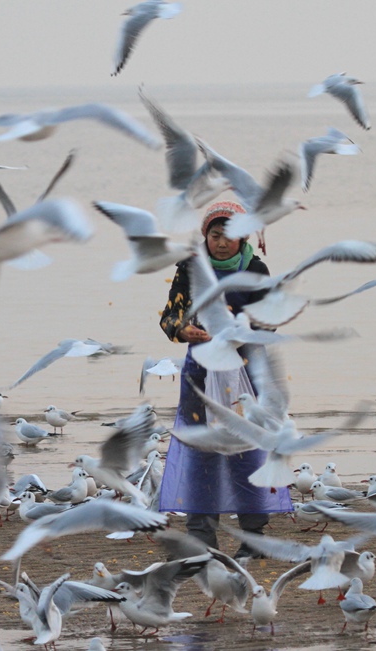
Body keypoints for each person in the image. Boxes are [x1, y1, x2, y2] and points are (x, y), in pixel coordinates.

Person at [157, 200, 292, 557]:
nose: (220, 243)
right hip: (200, 374)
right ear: (206, 236)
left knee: (245, 454)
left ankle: (253, 540)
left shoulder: (255, 269)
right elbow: (171, 316)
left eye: (228, 237)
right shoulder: (190, 267)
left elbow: (270, 319)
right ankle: (202, 540)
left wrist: (240, 330)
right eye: (215, 235)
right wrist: (184, 331)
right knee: (201, 452)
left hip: (245, 372)